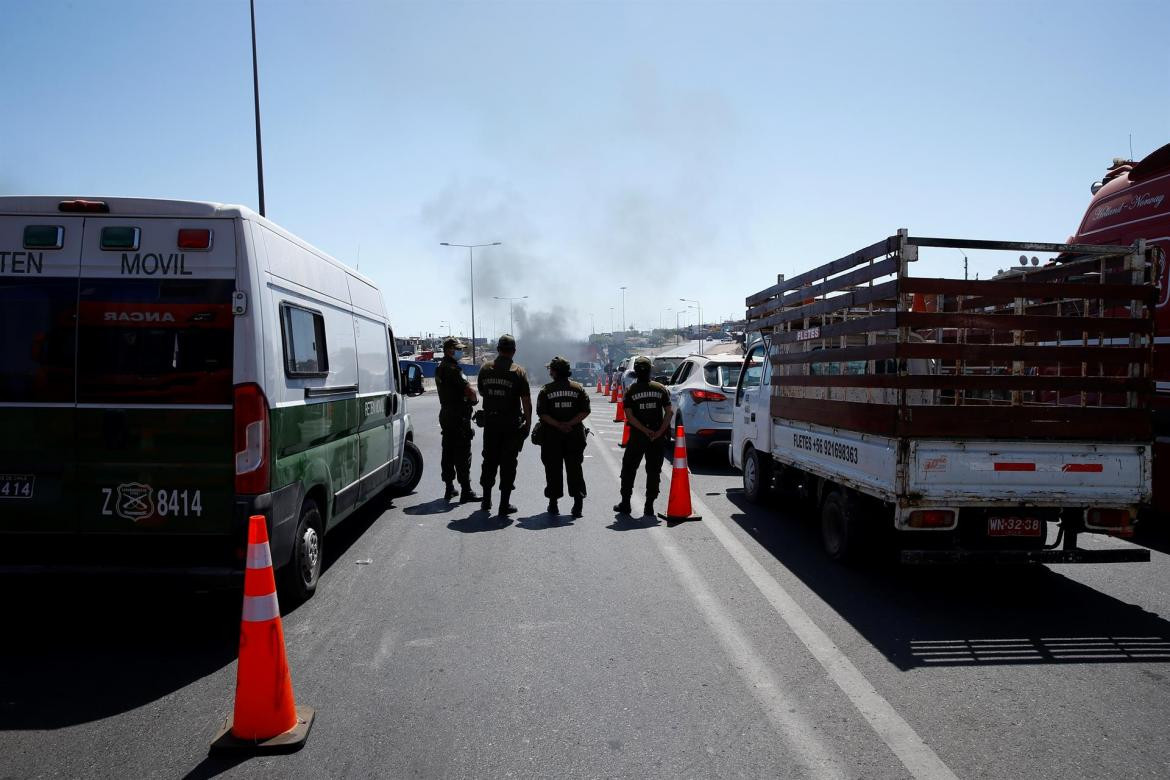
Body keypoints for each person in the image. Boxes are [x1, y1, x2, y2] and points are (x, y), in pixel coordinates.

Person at [476, 334, 532, 515]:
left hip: (491, 424)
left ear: (498, 349)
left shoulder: (485, 368)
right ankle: (504, 504)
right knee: (508, 463)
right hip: (510, 425)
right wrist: (528, 425)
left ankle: (486, 500)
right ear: (513, 351)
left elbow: (482, 392)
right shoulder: (518, 372)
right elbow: (526, 402)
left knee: (489, 460)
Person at [615, 356, 673, 517]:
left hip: (638, 437)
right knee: (654, 471)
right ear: (650, 370)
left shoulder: (631, 390)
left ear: (635, 372)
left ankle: (625, 503)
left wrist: (644, 430)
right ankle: (649, 505)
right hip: (657, 437)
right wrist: (659, 432)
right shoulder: (660, 388)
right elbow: (669, 412)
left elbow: (629, 415)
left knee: (628, 469)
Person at [536, 356, 591, 517]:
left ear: (555, 372)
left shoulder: (546, 390)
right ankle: (578, 505)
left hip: (552, 436)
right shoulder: (578, 388)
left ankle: (553, 504)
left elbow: (542, 413)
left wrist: (559, 425)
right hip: (574, 435)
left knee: (553, 469)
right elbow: (585, 410)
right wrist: (570, 424)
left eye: (550, 369)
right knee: (575, 468)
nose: (549, 372)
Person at [435, 337, 480, 502]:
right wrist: (474, 400)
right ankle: (466, 490)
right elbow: (469, 391)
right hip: (459, 415)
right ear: (449, 350)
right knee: (462, 452)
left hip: (446, 414)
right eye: (458, 349)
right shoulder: (453, 369)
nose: (461, 352)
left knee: (448, 450)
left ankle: (449, 488)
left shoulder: (439, 368)